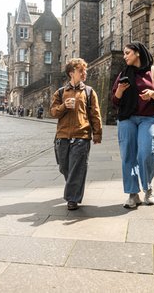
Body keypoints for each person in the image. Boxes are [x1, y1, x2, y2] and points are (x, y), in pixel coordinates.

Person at [111, 41, 154, 208]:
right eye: (124, 53)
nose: (124, 56)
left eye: (127, 53)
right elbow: (114, 100)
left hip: (148, 118)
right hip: (126, 118)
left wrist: (153, 94)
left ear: (137, 53)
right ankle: (132, 193)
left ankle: (148, 189)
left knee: (147, 153)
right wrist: (120, 90)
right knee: (128, 155)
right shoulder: (124, 72)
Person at [50, 58, 103, 211]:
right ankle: (73, 188)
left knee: (77, 168)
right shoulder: (60, 92)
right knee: (64, 168)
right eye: (81, 71)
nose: (84, 73)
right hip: (62, 137)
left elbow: (95, 114)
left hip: (81, 136)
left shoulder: (89, 92)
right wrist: (63, 107)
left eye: (84, 70)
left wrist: (97, 133)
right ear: (71, 73)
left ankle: (72, 198)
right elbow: (53, 112)